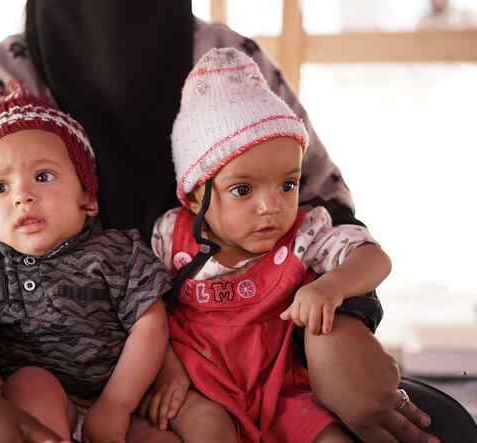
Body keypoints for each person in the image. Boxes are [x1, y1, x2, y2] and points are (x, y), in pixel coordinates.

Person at [0, 2, 474, 443]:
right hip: (24, 381)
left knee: (439, 426)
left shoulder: (227, 65)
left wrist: (343, 333)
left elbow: (324, 220)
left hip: (209, 376)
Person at [149, 47, 392, 443]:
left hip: (282, 387)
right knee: (208, 432)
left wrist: (332, 285)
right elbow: (143, 308)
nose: (271, 207)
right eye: (243, 190)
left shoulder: (304, 234)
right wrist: (165, 365)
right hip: (199, 383)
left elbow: (375, 259)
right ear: (195, 198)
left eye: (288, 184)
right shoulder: (170, 237)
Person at [0, 83, 171, 442]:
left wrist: (116, 405)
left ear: (88, 198)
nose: (22, 197)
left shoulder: (116, 252)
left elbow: (151, 323)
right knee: (30, 383)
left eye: (42, 177)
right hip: (38, 413)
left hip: (118, 399)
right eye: (0, 188)